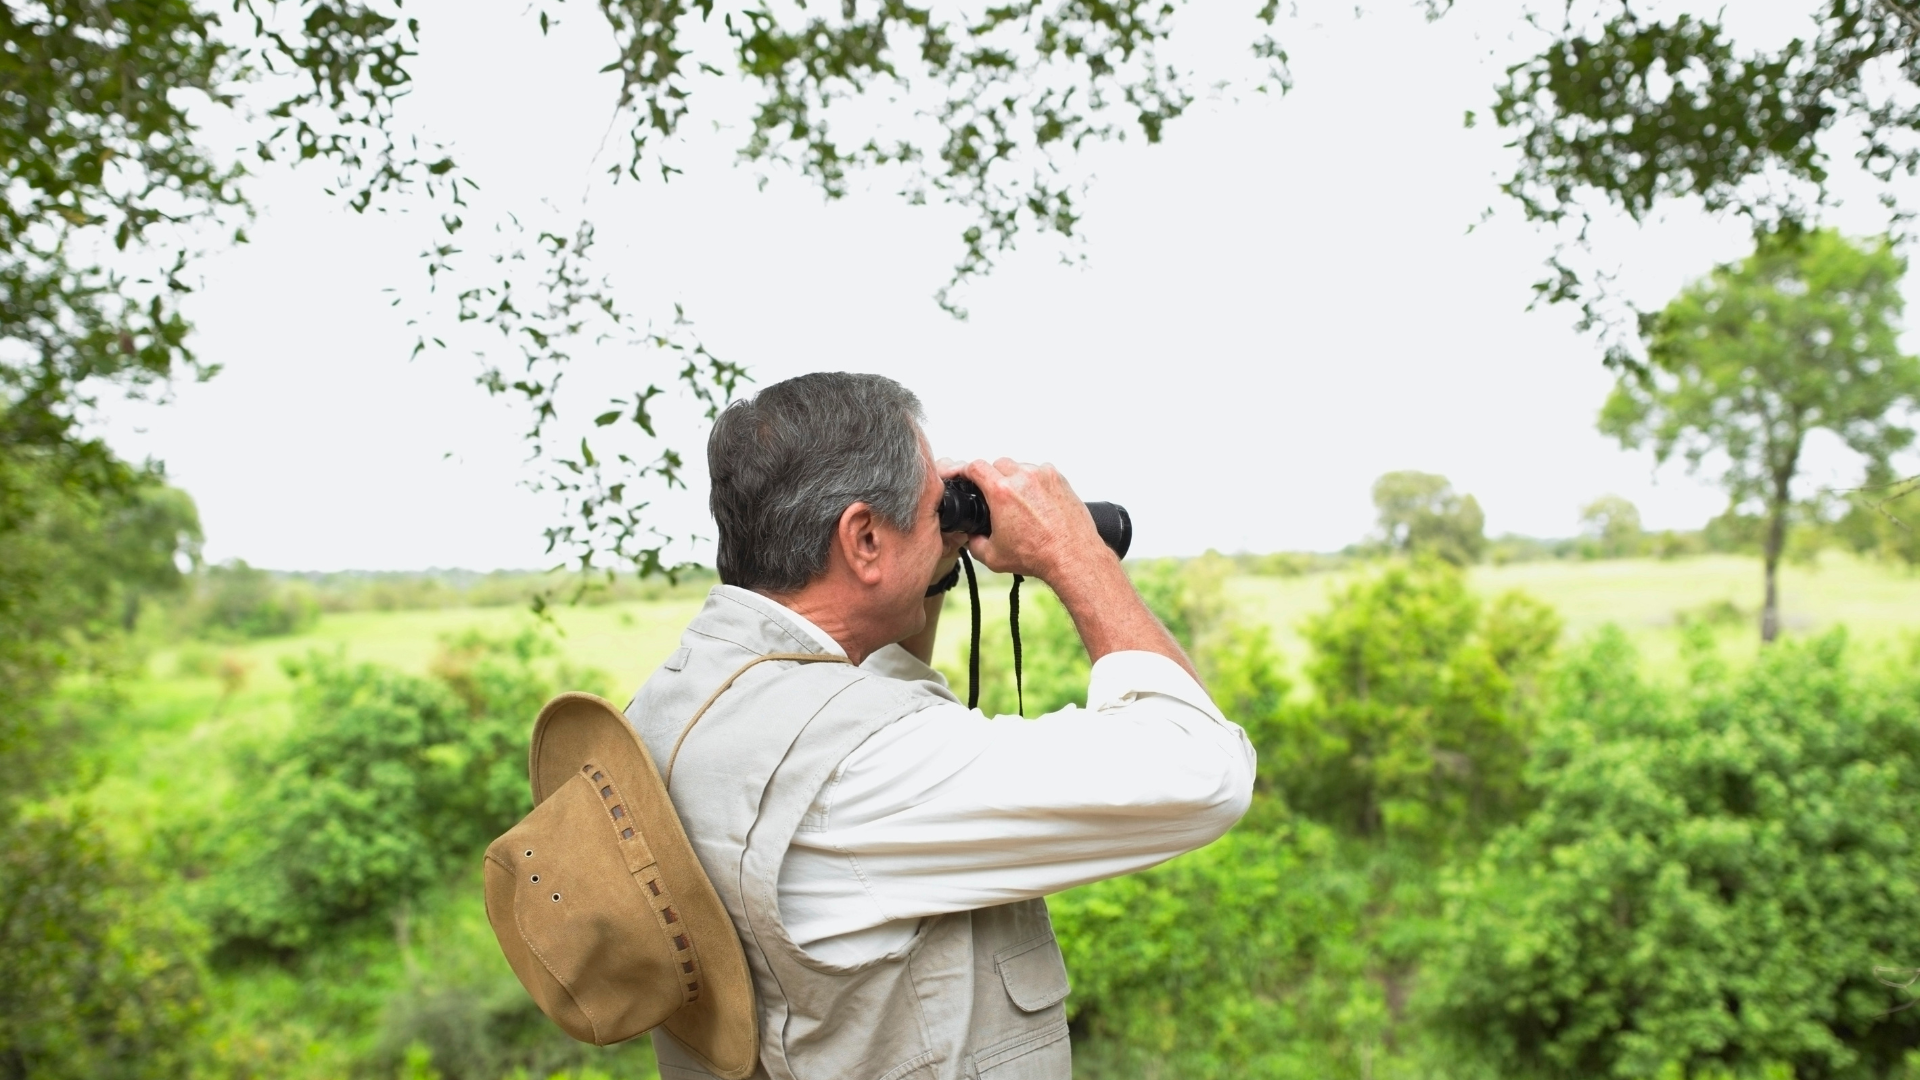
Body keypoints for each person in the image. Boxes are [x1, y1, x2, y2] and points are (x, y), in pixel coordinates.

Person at [624, 372, 1254, 1080]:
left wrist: (925, 544)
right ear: (863, 537)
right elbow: (1204, 772)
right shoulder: (863, 770)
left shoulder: (677, 699)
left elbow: (852, 697)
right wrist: (1072, 550)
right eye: (933, 513)